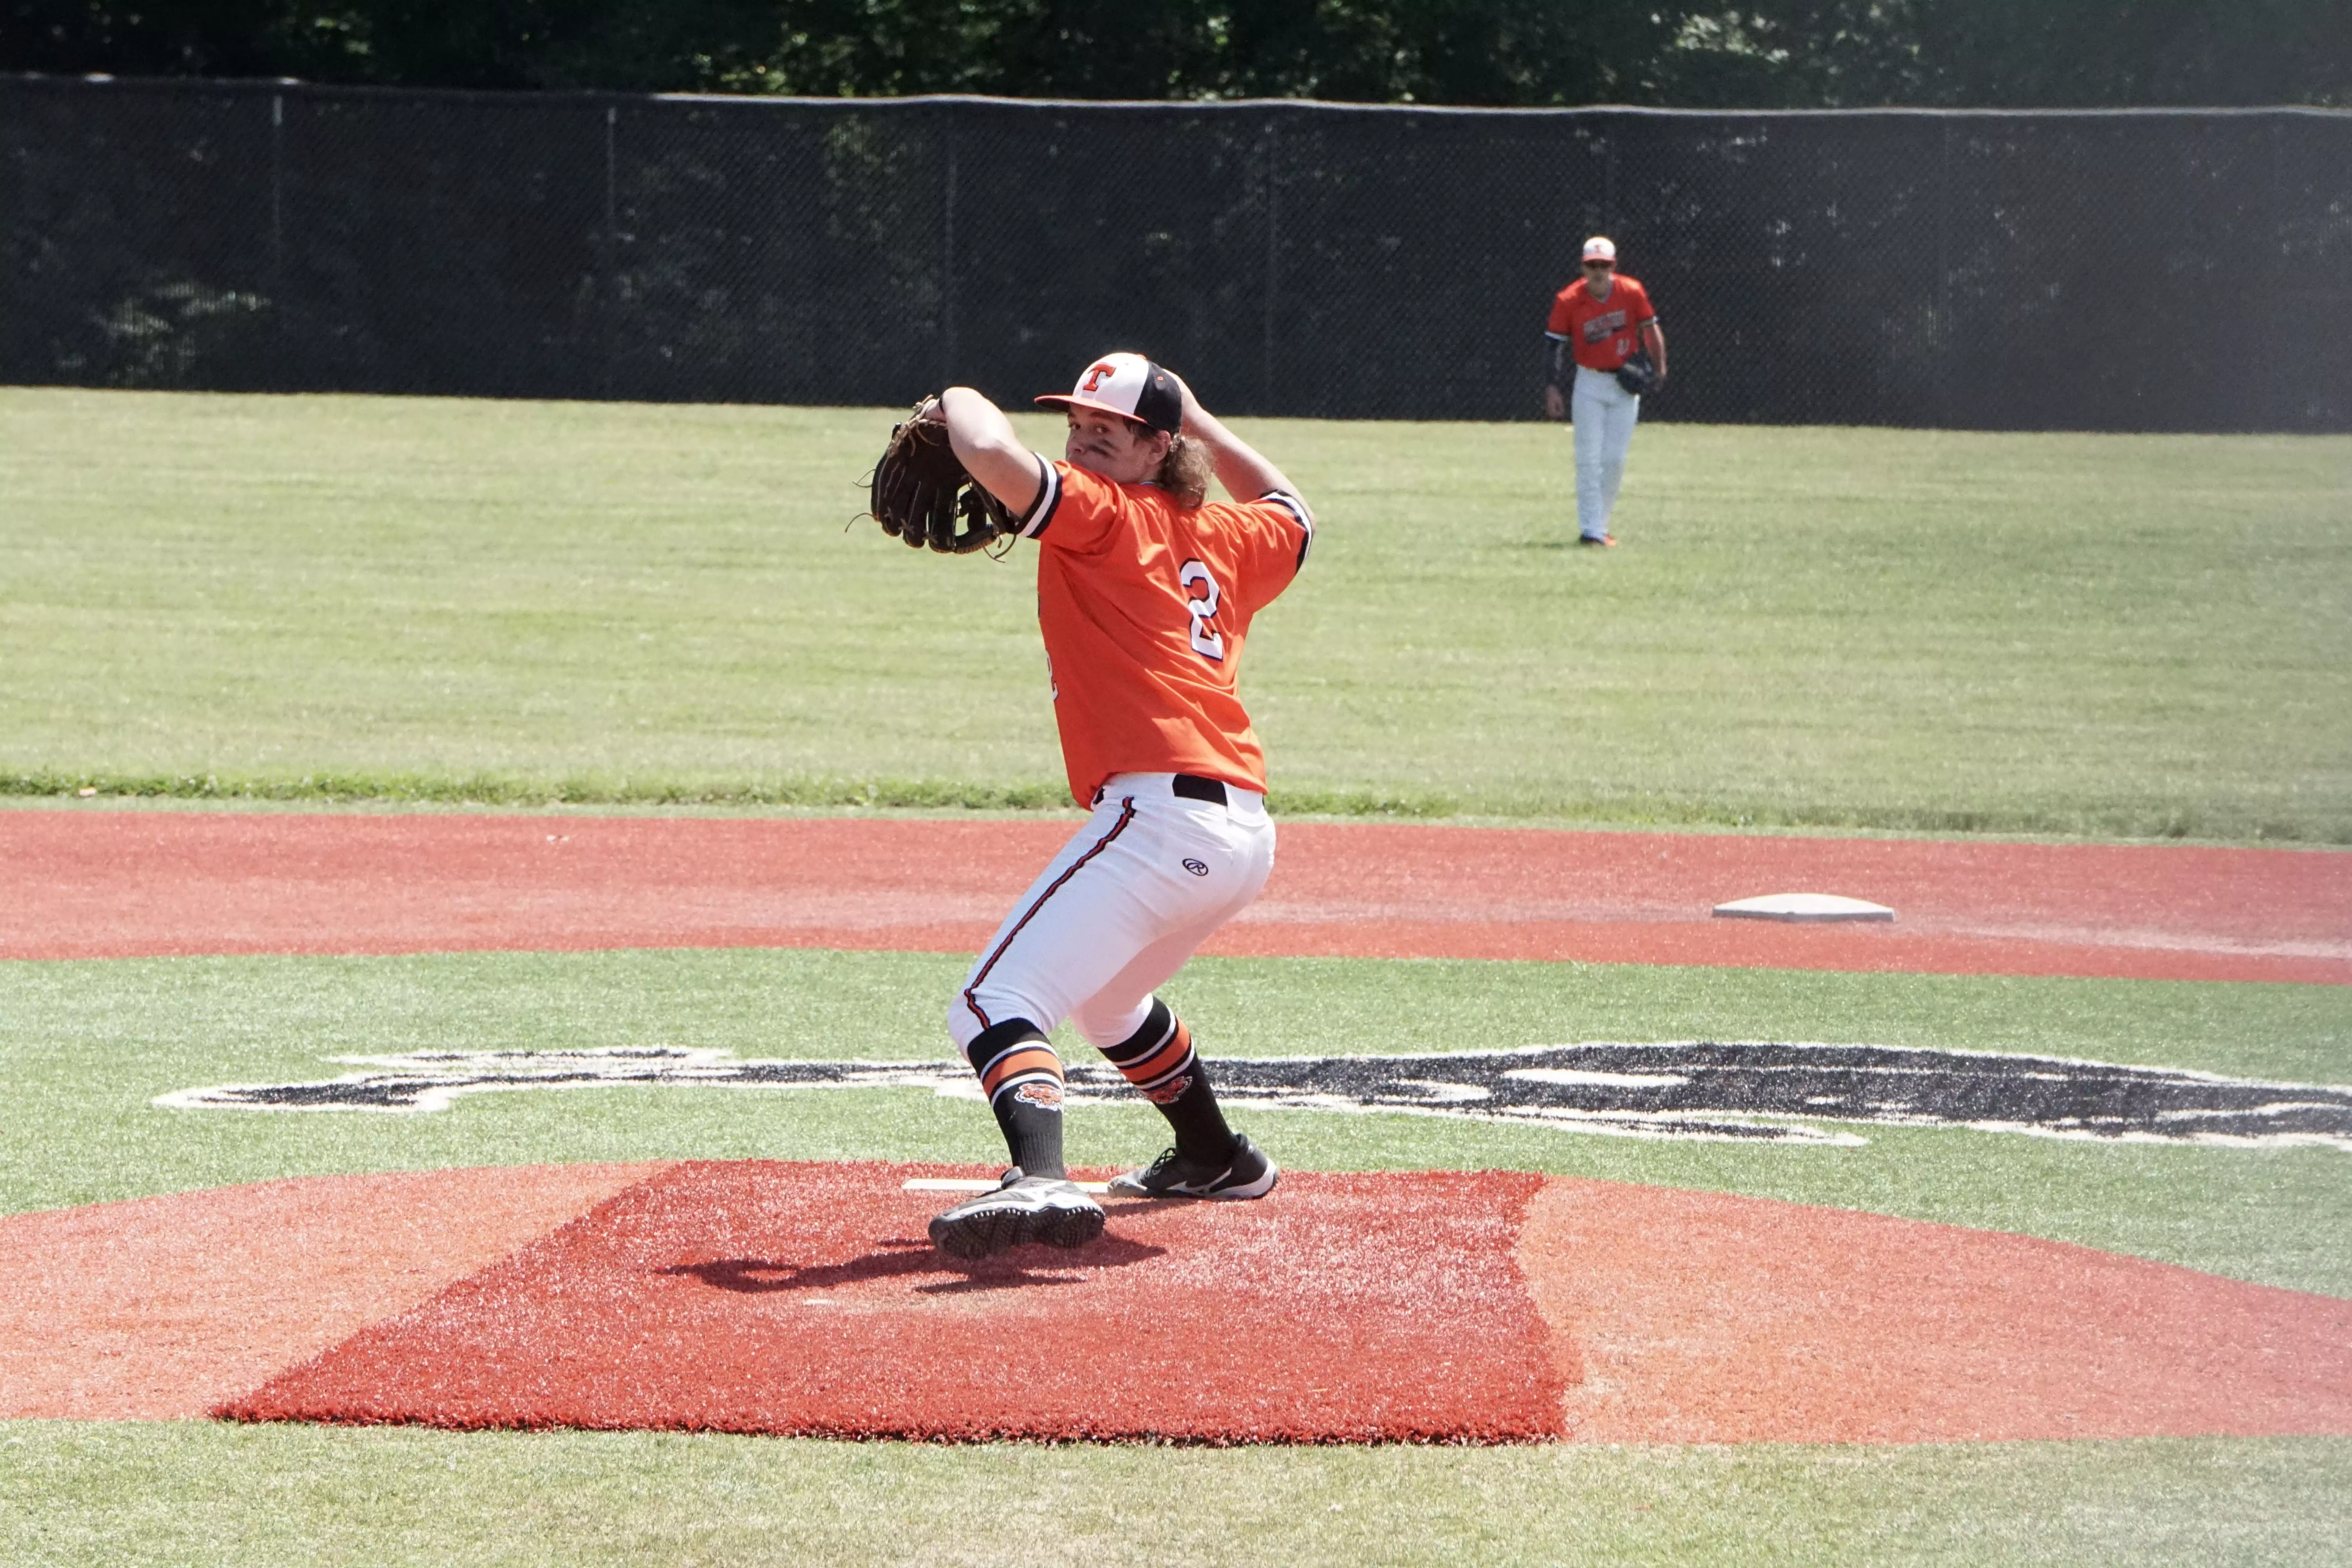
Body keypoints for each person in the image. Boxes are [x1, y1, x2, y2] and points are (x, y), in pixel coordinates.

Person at [918, 351, 1316, 1259]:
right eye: (1077, 424)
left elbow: (981, 440)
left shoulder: (1101, 515)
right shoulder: (1226, 536)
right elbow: (1295, 510)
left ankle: (1040, 1176)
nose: (1086, 438)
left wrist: (954, 394)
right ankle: (1216, 1154)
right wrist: (1207, 420)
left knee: (992, 1000)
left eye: (1113, 428)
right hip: (1239, 834)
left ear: (1155, 448)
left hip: (1161, 815)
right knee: (1109, 1002)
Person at [1543, 236, 1668, 547]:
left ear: (1614, 266)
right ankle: (1591, 532)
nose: (1598, 271)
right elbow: (1555, 345)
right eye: (1592, 265)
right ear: (1583, 267)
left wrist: (1660, 367)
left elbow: (1650, 330)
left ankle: (1600, 525)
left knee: (1614, 460)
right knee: (1588, 460)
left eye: (1604, 265)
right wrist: (1552, 386)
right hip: (1590, 383)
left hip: (1624, 383)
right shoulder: (1568, 300)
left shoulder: (1631, 291)